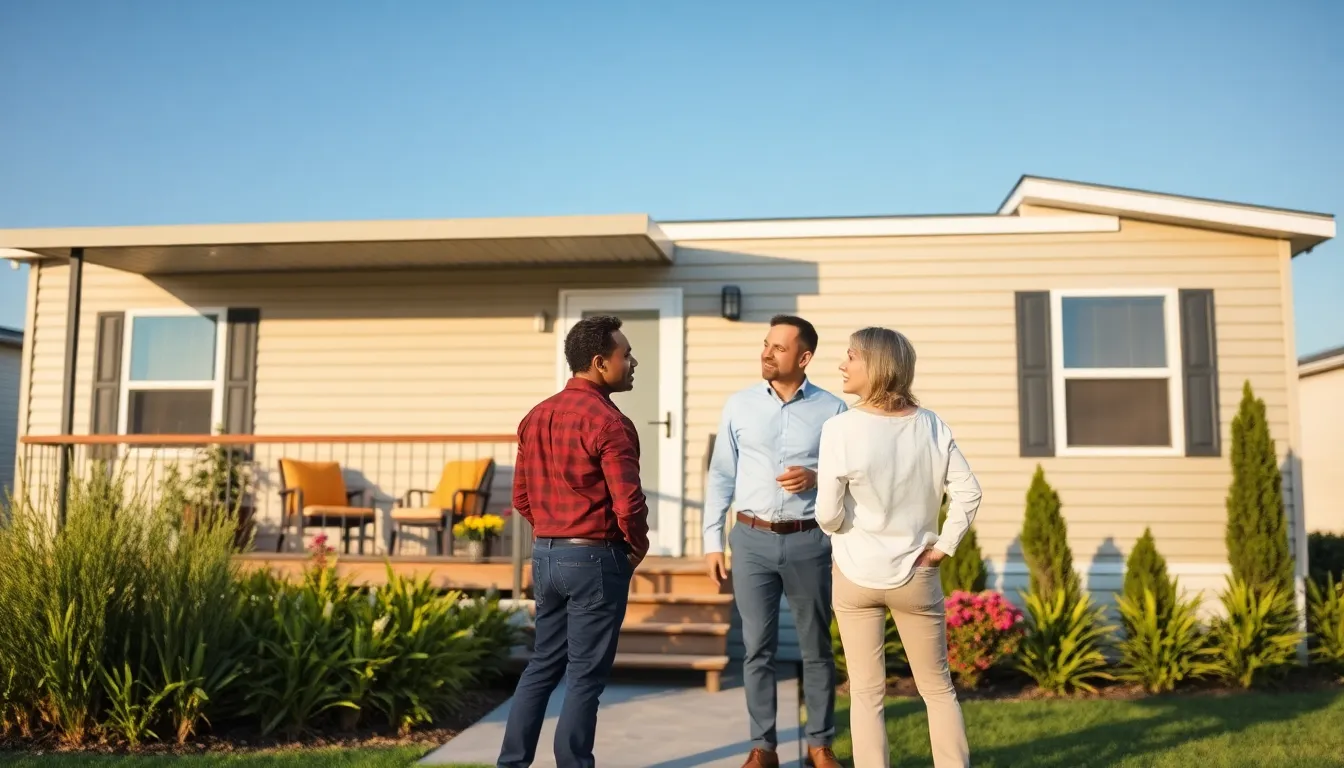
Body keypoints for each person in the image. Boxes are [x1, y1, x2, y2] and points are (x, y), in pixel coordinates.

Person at [815, 327, 980, 768]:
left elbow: (828, 515)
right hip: (917, 574)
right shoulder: (931, 425)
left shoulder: (840, 428)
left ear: (878, 366)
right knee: (938, 690)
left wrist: (847, 526)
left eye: (851, 357)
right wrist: (944, 547)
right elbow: (969, 493)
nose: (841, 365)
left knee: (867, 693)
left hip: (853, 574)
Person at [497, 314, 650, 768]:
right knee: (584, 676)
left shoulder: (535, 416)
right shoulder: (610, 423)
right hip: (594, 558)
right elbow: (629, 504)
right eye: (626, 354)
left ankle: (511, 763)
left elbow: (521, 497)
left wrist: (549, 530)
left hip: (545, 554)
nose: (633, 361)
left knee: (542, 665)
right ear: (601, 363)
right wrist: (635, 545)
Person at [703, 314, 849, 768]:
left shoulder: (833, 410)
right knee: (757, 647)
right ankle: (762, 747)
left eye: (778, 348)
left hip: (809, 542)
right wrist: (713, 540)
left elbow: (852, 475)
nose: (767, 353)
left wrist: (817, 476)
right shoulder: (739, 406)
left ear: (804, 358)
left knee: (816, 648)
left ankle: (819, 745)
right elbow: (721, 475)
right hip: (750, 540)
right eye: (765, 345)